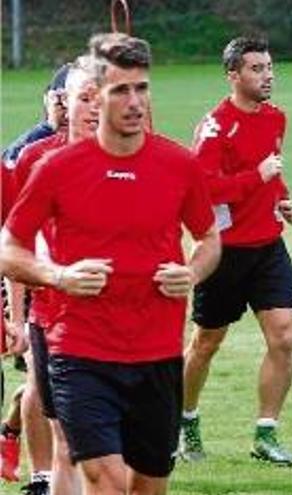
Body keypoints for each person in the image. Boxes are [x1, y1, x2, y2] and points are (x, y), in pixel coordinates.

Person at [0, 33, 220, 495]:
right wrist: (58, 275)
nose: (135, 101)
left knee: (147, 485)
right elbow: (9, 248)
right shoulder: (54, 168)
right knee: (105, 480)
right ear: (94, 98)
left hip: (158, 352)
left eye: (141, 88)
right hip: (80, 349)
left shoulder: (179, 165)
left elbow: (209, 238)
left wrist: (193, 272)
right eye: (121, 90)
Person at [177, 36, 292, 466]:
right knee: (206, 342)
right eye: (256, 69)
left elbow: (273, 170)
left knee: (283, 336)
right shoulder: (214, 127)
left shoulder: (276, 118)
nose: (267, 76)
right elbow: (205, 189)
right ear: (233, 75)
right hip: (223, 252)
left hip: (268, 247)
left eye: (269, 67)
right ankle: (186, 421)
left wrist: (283, 198)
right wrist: (257, 175)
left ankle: (266, 433)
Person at [7, 53, 101, 495]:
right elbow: (16, 244)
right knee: (67, 435)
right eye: (83, 97)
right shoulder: (33, 157)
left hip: (121, 320)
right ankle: (39, 471)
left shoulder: (135, 154)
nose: (91, 107)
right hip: (53, 315)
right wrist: (18, 315)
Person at [1, 62, 72, 493]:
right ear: (47, 97)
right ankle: (41, 475)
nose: (64, 107)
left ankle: (9, 436)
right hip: (26, 275)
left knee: (43, 380)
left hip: (65, 285)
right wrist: (17, 303)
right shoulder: (26, 152)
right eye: (59, 97)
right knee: (36, 377)